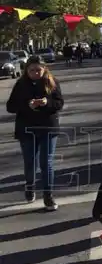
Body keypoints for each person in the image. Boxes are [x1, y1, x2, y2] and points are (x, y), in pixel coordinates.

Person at [5, 56, 64, 210]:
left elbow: (59, 103)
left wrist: (47, 102)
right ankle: (30, 186)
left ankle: (48, 196)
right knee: (30, 163)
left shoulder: (52, 82)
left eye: (38, 70)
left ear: (44, 69)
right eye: (32, 70)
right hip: (27, 129)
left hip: (48, 128)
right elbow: (10, 106)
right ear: (27, 71)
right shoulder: (21, 84)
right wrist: (27, 105)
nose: (35, 73)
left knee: (46, 163)